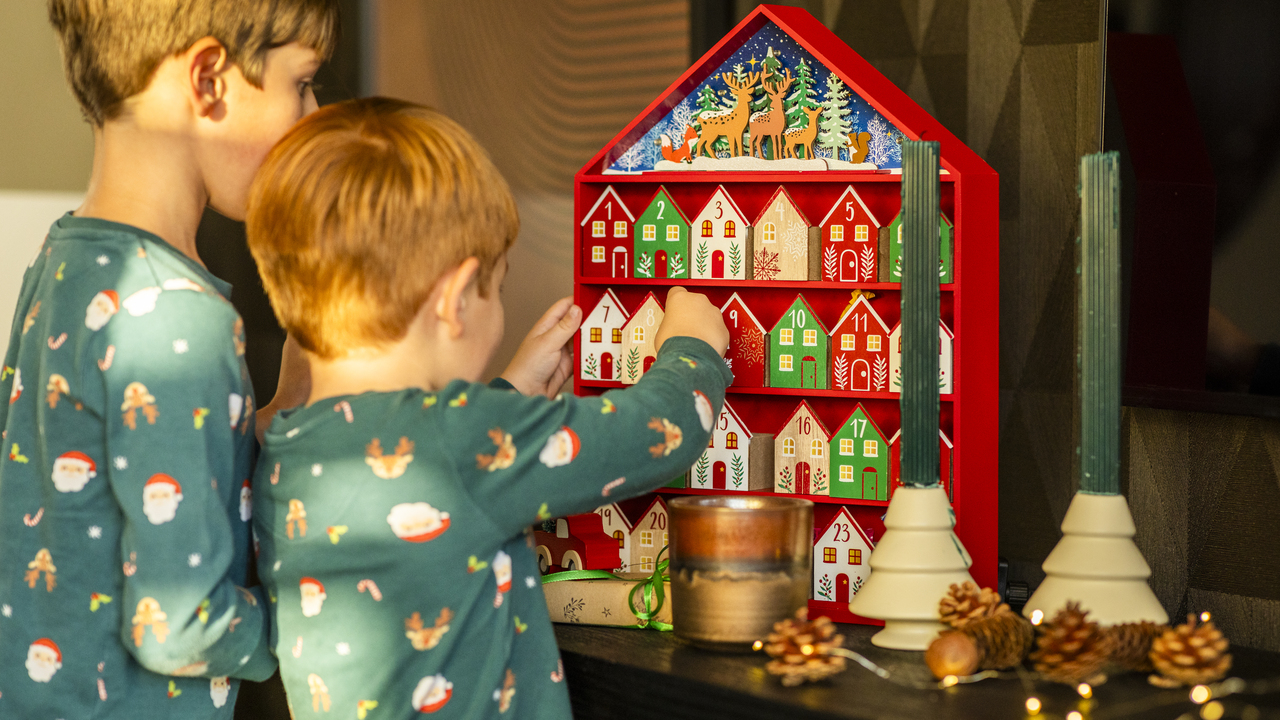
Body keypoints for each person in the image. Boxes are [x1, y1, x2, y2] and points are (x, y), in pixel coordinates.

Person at [244, 97, 731, 719]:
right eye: (496, 288)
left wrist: (508, 397)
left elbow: (420, 468)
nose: (500, 309)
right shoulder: (467, 440)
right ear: (453, 301)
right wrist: (691, 349)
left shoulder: (287, 446)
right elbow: (655, 435)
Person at [0, 1, 337, 716]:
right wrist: (310, 630)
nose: (315, 113)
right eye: (302, 84)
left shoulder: (69, 262)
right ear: (210, 79)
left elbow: (136, 485)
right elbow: (178, 627)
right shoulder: (177, 315)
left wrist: (273, 415)